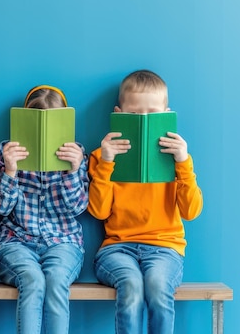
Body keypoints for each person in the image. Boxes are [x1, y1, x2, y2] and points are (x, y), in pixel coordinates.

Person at [87, 70, 203, 334]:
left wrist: (183, 163)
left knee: (158, 285)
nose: (143, 120)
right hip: (117, 248)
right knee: (130, 285)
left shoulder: (177, 159)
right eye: (135, 114)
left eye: (152, 113)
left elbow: (191, 211)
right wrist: (106, 163)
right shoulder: (101, 156)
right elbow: (98, 210)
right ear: (119, 113)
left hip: (165, 248)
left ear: (165, 114)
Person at [0, 85, 89, 334]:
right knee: (32, 280)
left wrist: (72, 171)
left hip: (64, 241)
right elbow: (2, 208)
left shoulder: (76, 155)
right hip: (15, 242)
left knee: (56, 280)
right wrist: (10, 171)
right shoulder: (6, 152)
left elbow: (77, 207)